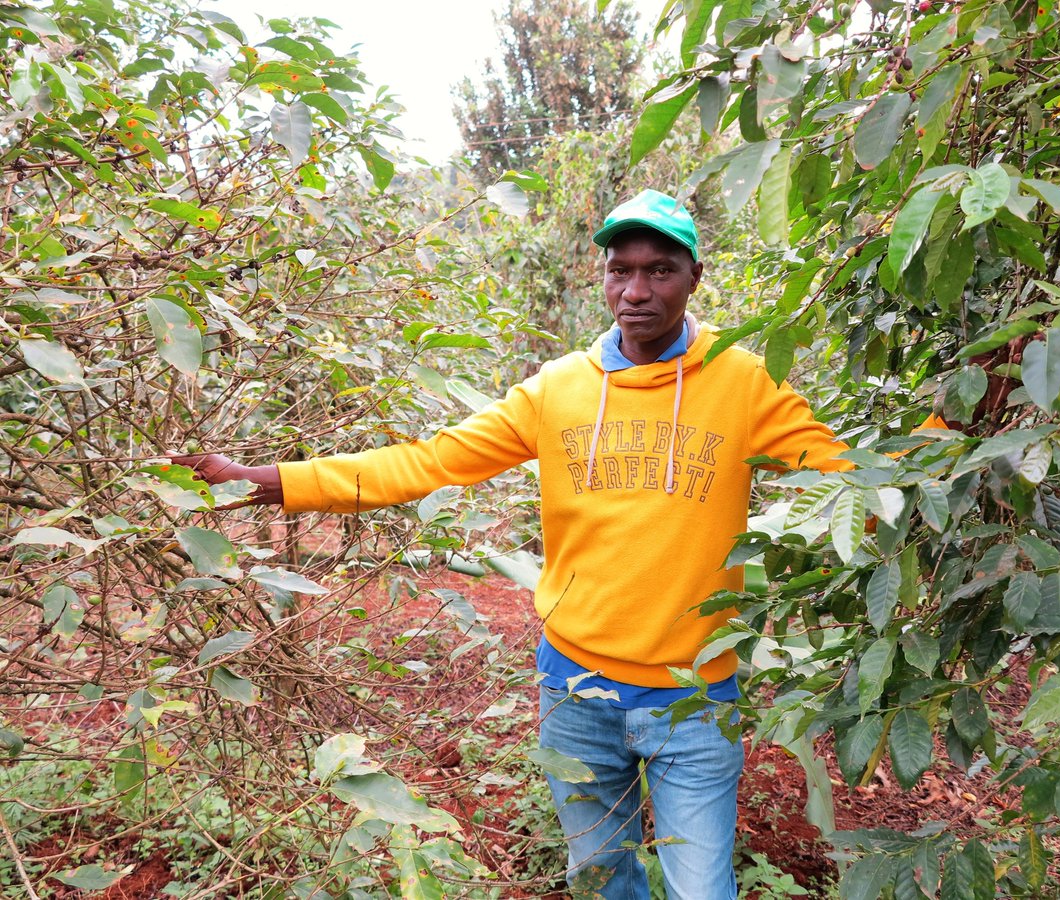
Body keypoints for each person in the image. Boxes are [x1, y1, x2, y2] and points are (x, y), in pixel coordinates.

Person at [177, 189, 894, 899]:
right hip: (575, 686)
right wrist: (269, 481)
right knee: (598, 879)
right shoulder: (557, 388)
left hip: (694, 698)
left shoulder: (746, 384)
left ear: (694, 277)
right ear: (604, 276)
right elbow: (429, 461)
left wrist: (945, 437)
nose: (635, 291)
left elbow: (849, 479)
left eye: (659, 271)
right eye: (621, 270)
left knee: (702, 888)